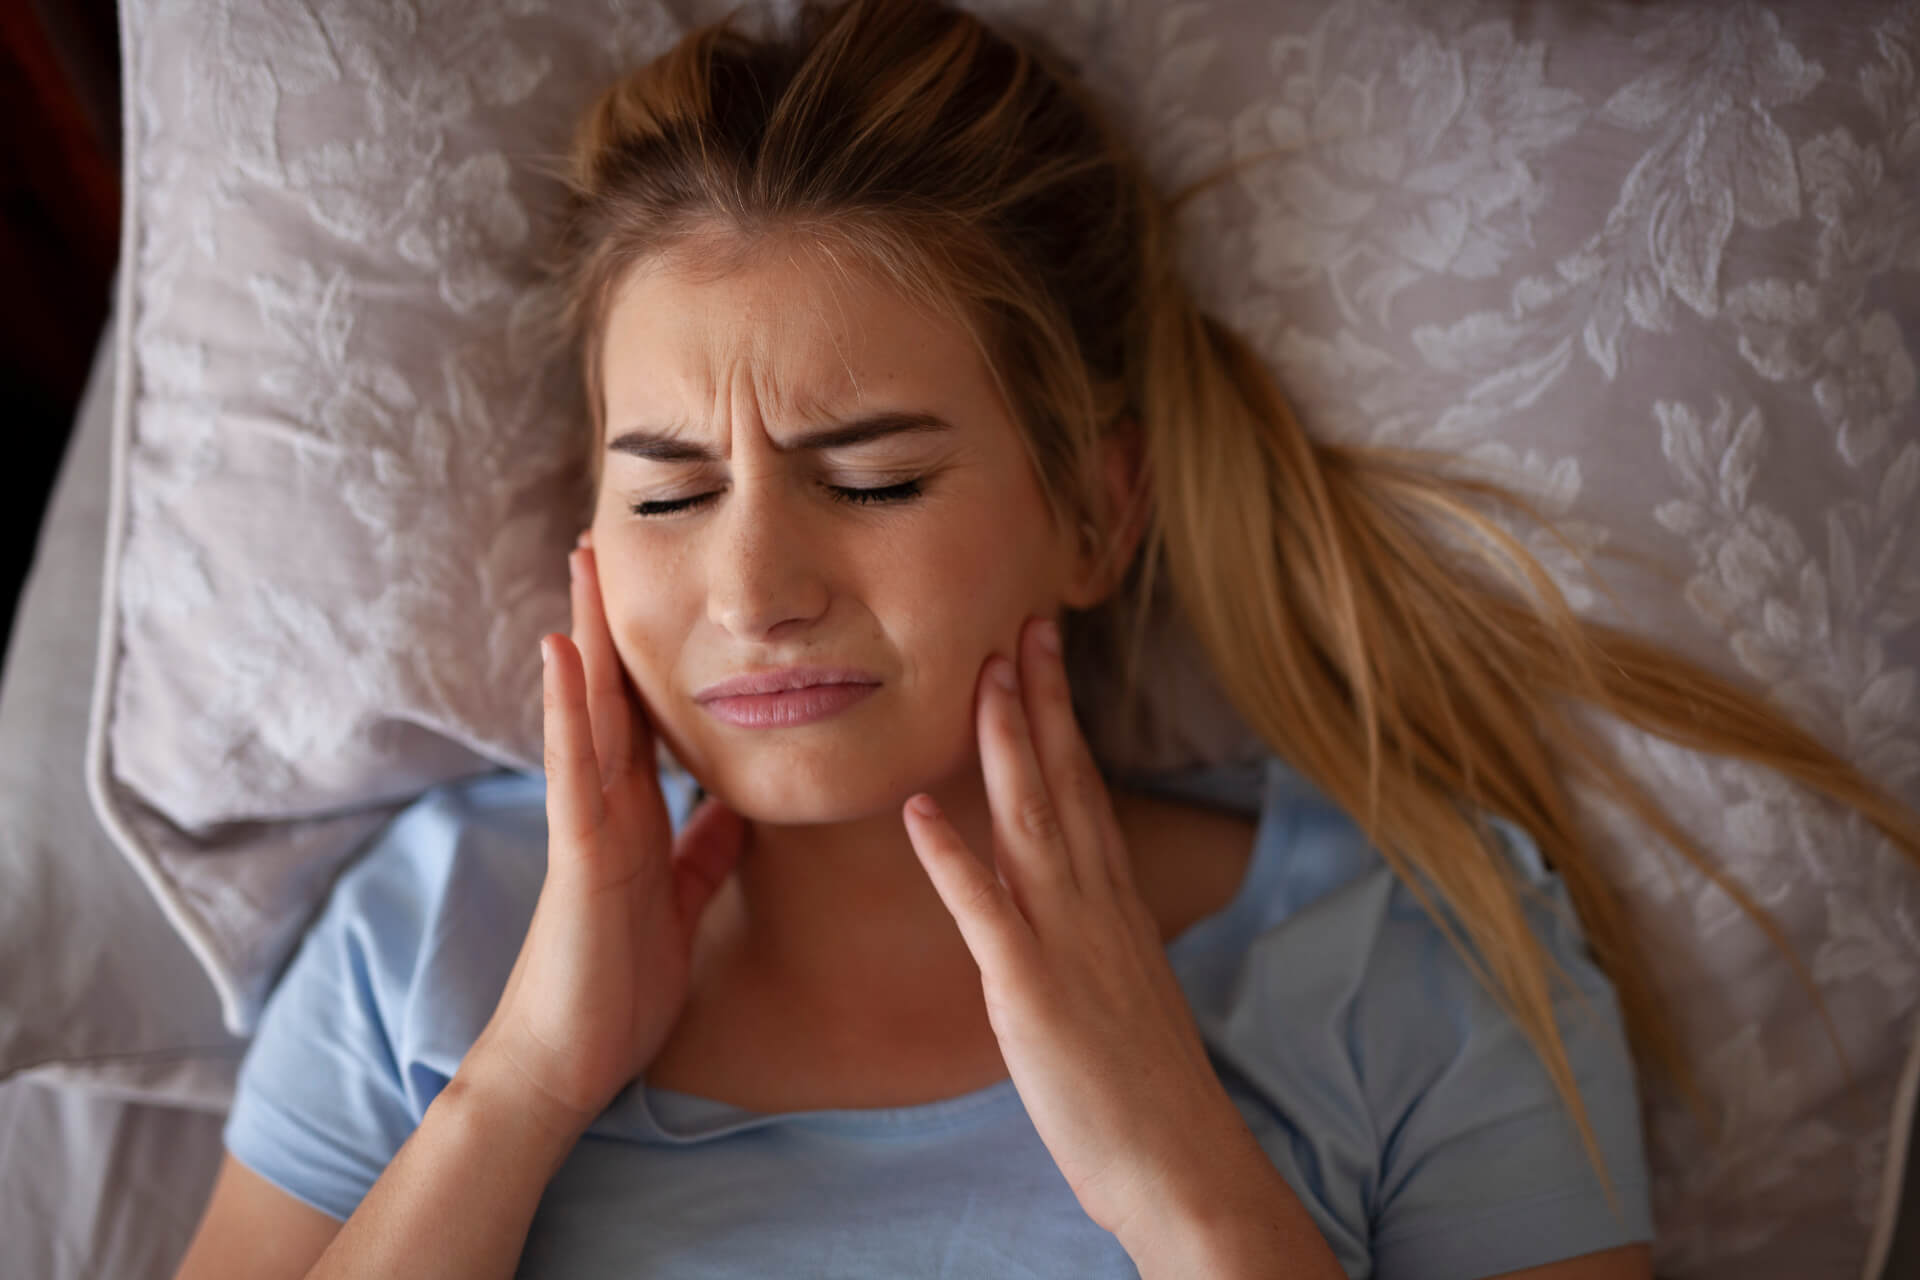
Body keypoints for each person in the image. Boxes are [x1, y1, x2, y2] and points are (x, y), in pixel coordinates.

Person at [173, 0, 1920, 1277]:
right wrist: (522, 1089)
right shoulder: (432, 941)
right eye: (670, 488)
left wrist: (1184, 1177)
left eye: (871, 480)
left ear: (1095, 513)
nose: (756, 585)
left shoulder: (1409, 965)